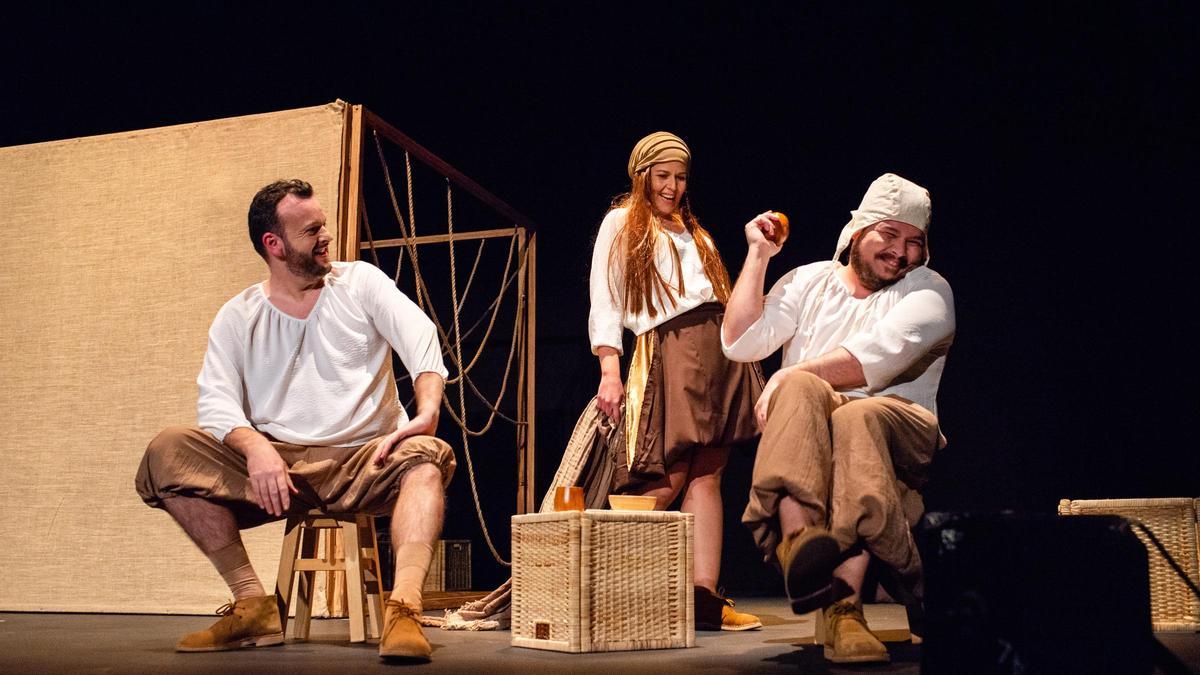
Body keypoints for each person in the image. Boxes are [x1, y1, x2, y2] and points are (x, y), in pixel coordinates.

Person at [135, 179, 455, 662]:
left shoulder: (360, 283)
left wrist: (428, 409)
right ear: (274, 244)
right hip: (281, 469)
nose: (326, 236)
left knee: (428, 459)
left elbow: (420, 337)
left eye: (323, 225)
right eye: (311, 230)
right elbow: (217, 401)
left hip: (366, 459)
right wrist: (256, 447)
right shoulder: (238, 315)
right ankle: (251, 605)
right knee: (167, 452)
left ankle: (404, 610)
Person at [722, 173, 955, 663]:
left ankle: (846, 608)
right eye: (889, 235)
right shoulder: (809, 281)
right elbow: (739, 342)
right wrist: (758, 256)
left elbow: (873, 359)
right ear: (858, 232)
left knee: (853, 413)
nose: (901, 252)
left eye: (914, 242)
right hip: (819, 432)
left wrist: (788, 376)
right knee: (805, 390)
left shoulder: (929, 290)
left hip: (901, 423)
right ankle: (800, 546)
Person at [588, 132, 764, 631]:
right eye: (662, 176)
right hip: (670, 347)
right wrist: (609, 370)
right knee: (665, 475)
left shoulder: (695, 233)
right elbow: (606, 297)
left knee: (709, 474)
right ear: (641, 175)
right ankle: (604, 588)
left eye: (680, 177)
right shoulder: (622, 222)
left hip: (719, 347)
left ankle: (704, 599)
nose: (672, 186)